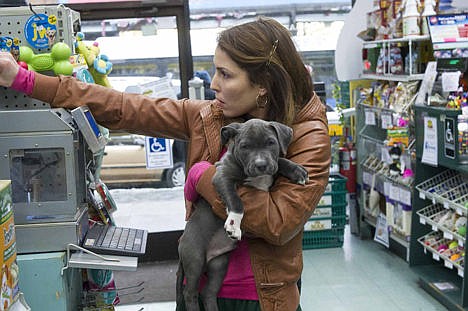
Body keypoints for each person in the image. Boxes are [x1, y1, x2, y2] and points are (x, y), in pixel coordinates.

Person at [0, 16, 330, 311]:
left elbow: (278, 223)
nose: (213, 83)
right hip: (195, 287)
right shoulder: (211, 116)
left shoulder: (305, 136)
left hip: (258, 299)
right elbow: (124, 107)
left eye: (225, 74)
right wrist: (25, 80)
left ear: (263, 85)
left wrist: (205, 177)